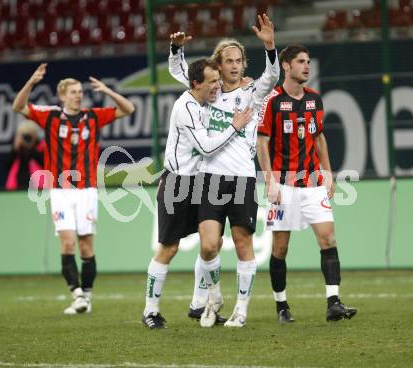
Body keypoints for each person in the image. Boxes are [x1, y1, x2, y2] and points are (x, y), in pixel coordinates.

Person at [169, 13, 279, 327]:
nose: (233, 65)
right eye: (228, 60)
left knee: (243, 244)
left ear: (244, 64)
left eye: (238, 61)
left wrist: (270, 46)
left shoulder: (252, 93)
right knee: (208, 245)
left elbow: (271, 77)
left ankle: (241, 310)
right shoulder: (209, 91)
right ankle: (213, 295)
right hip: (209, 178)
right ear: (219, 64)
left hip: (242, 178)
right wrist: (176, 49)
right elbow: (181, 72)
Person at [13, 63, 135, 315]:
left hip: (87, 191)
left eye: (80, 91)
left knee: (86, 247)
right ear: (62, 96)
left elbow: (129, 109)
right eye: (73, 92)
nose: (78, 95)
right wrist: (32, 82)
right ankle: (77, 294)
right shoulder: (50, 116)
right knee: (67, 244)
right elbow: (18, 106)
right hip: (60, 191)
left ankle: (86, 297)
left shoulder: (93, 116)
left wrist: (108, 91)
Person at [142, 58, 253, 329]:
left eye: (218, 79)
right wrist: (234, 126)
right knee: (169, 248)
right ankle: (150, 311)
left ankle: (199, 304)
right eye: (213, 81)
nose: (218, 85)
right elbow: (204, 147)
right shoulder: (186, 107)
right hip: (178, 184)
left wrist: (175, 50)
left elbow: (179, 68)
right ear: (196, 84)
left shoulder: (205, 100)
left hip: (202, 182)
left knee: (210, 244)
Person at [256, 44, 357, 323]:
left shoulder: (315, 100)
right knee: (280, 247)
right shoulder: (272, 101)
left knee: (328, 238)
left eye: (308, 61)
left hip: (312, 183)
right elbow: (261, 142)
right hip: (283, 185)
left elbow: (319, 138)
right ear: (286, 66)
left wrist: (327, 172)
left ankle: (333, 302)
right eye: (301, 61)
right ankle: (281, 306)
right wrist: (270, 180)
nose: (306, 66)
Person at [5, 120, 45, 190]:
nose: (27, 139)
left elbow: (45, 164)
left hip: (37, 190)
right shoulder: (18, 150)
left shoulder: (41, 148)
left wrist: (31, 149)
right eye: (24, 136)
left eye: (29, 136)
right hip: (17, 188)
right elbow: (6, 165)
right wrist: (15, 149)